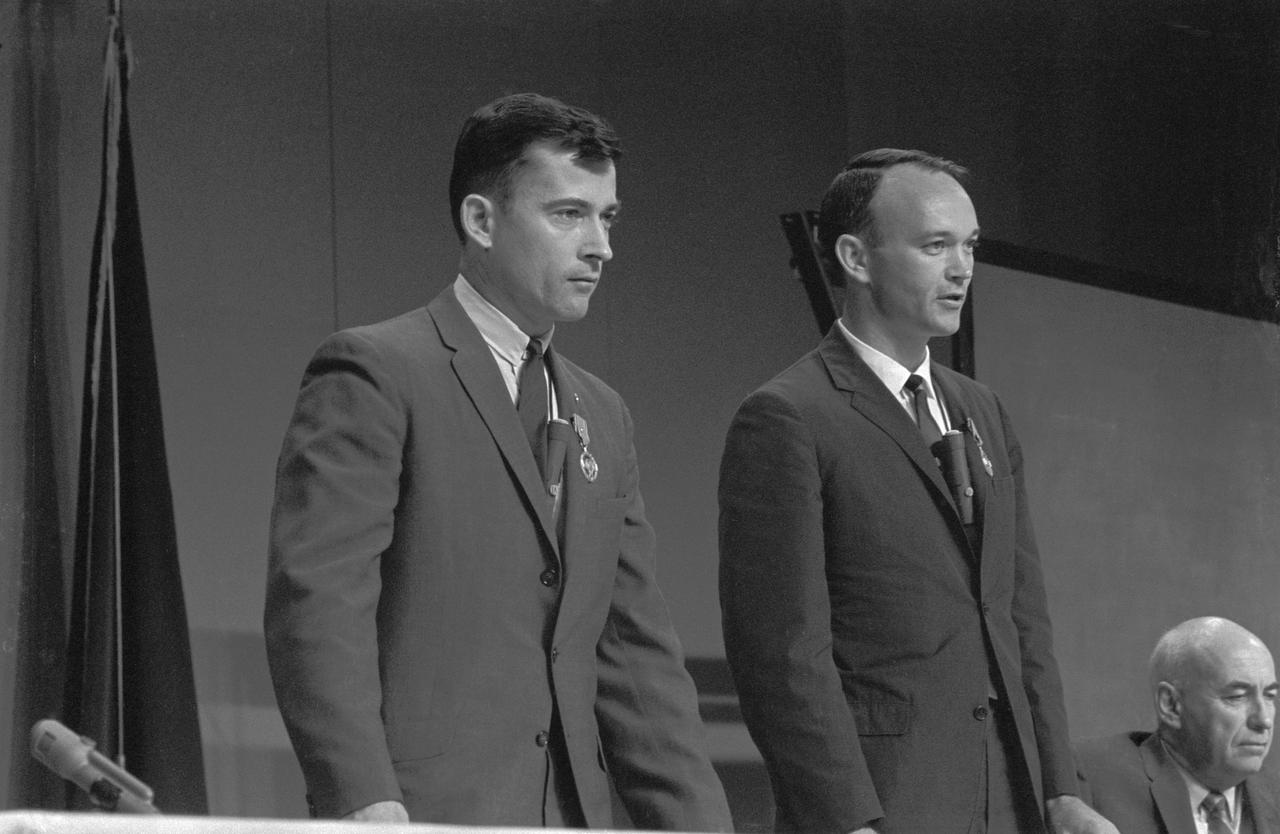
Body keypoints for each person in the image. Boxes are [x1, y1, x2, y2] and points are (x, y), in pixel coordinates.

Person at [264, 92, 732, 830]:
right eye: (568, 214)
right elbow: (318, 603)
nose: (600, 246)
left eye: (607, 218)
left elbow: (636, 654)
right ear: (481, 220)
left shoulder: (603, 415)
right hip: (424, 813)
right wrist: (361, 796)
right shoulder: (377, 370)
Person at [718, 149, 1116, 833]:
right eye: (936, 246)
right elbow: (783, 657)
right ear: (856, 256)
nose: (963, 268)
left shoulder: (982, 409)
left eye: (969, 246)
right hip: (888, 804)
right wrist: (846, 820)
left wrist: (1060, 789)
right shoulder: (789, 415)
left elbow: (1023, 622)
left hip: (1009, 804)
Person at [1075, 617, 1279, 833]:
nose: (1264, 720)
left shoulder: (1274, 795)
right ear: (1171, 705)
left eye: (1270, 696)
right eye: (1236, 697)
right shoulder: (1088, 782)